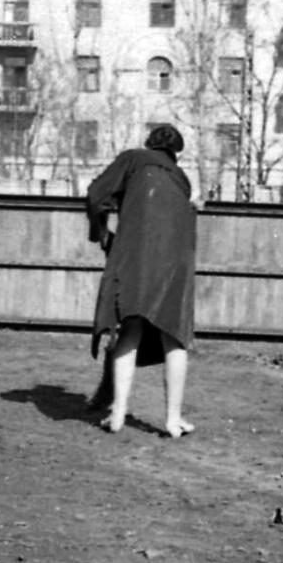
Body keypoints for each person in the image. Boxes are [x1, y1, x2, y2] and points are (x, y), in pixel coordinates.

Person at [84, 125, 197, 437]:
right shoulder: (180, 177)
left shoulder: (133, 159)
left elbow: (96, 195)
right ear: (177, 152)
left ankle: (118, 412)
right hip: (176, 262)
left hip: (135, 256)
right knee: (174, 336)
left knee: (130, 327)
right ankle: (173, 420)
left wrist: (102, 233)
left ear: (148, 143)